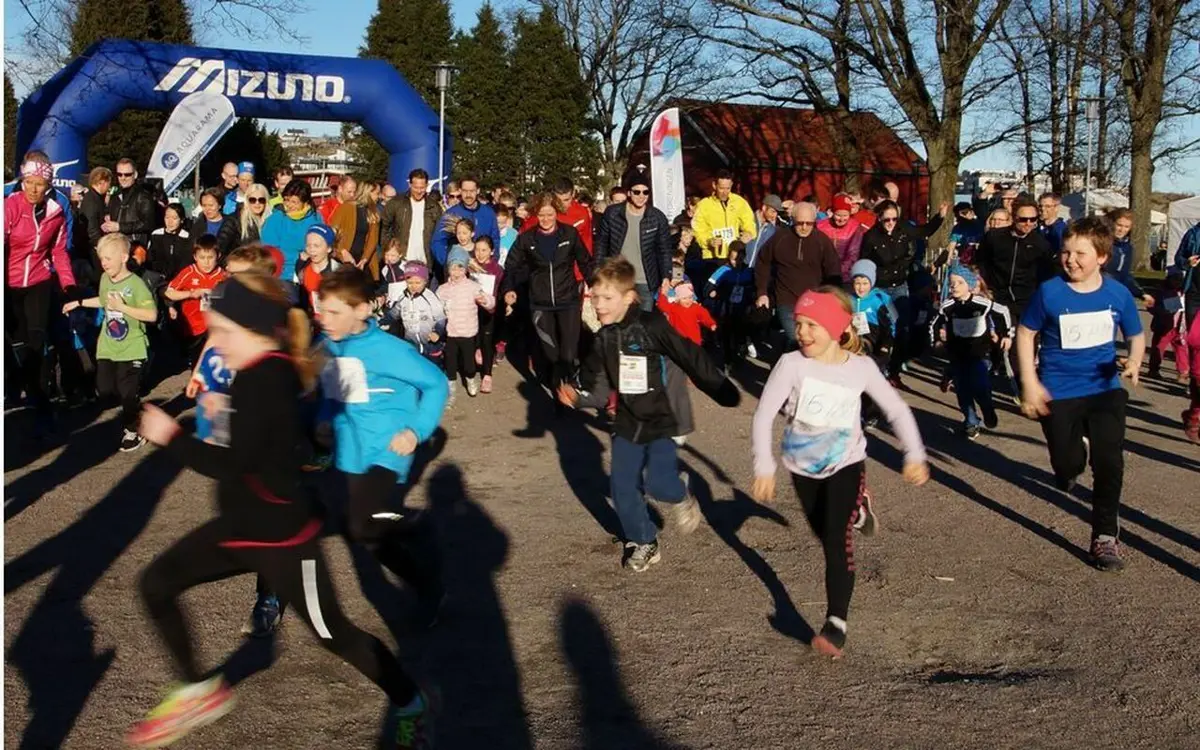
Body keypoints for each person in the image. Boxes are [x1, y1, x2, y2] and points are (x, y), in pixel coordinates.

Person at [128, 271, 431, 749]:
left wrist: (170, 436)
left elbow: (232, 464)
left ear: (252, 331)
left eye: (222, 332)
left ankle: (410, 701)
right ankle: (198, 690)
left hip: (284, 541)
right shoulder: (258, 371)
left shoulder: (265, 378)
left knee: (334, 634)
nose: (214, 343)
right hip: (240, 527)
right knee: (156, 583)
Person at [751, 288, 927, 657]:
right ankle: (859, 510)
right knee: (823, 531)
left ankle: (836, 624)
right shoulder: (791, 364)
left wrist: (913, 453)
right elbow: (764, 413)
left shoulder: (860, 368)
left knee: (835, 539)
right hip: (801, 467)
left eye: (812, 324)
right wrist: (764, 465)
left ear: (836, 328)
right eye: (799, 323)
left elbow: (896, 409)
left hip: (846, 464)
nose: (802, 332)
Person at [557, 257, 741, 571]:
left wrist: (721, 388)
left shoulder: (651, 325)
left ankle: (680, 493)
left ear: (629, 297)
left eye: (607, 298)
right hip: (626, 422)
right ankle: (643, 540)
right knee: (622, 487)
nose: (598, 305)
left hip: (660, 419)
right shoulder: (602, 339)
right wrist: (577, 397)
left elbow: (688, 354)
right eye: (595, 297)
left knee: (659, 485)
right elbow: (597, 389)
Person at [315, 267, 449, 628]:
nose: (325, 319)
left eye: (334, 312)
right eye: (322, 310)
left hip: (387, 450)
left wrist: (416, 431)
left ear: (362, 310)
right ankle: (427, 584)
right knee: (364, 533)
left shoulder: (389, 350)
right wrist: (322, 423)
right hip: (349, 454)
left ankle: (417, 526)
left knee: (361, 524)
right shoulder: (327, 347)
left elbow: (436, 383)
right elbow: (330, 394)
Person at [1017, 217, 1144, 572]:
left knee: (1110, 462)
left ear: (1102, 257)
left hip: (1104, 389)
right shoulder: (1050, 292)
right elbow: (1025, 334)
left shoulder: (1117, 294)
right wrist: (1030, 383)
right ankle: (1073, 460)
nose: (1070, 260)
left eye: (1079, 254)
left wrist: (1134, 361)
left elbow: (1135, 334)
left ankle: (1104, 537)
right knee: (1066, 465)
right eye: (1065, 252)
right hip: (1058, 391)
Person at [61, 233, 155, 452]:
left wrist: (122, 307)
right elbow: (104, 301)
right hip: (108, 345)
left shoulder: (136, 284)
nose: (104, 263)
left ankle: (134, 429)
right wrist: (79, 303)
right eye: (101, 259)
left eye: (108, 258)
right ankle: (135, 412)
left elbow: (151, 315)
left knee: (127, 392)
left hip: (132, 346)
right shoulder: (104, 279)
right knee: (104, 390)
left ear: (124, 258)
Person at [6, 158, 79, 430]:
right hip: (10, 282)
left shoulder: (55, 212)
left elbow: (58, 251)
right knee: (18, 343)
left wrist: (68, 284)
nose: (33, 189)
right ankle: (20, 386)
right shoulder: (10, 206)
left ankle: (41, 402)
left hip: (39, 280)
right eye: (29, 183)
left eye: (39, 184)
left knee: (36, 340)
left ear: (48, 185)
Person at [502, 193, 594, 391]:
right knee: (552, 354)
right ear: (536, 215)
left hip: (568, 300)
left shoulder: (569, 234)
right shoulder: (526, 238)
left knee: (568, 354)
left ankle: (567, 390)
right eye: (541, 215)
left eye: (550, 214)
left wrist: (594, 286)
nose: (545, 219)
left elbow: (585, 262)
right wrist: (509, 289)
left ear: (557, 213)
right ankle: (558, 388)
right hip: (541, 303)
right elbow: (511, 266)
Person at [859, 199, 947, 385]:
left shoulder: (903, 229)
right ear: (879, 218)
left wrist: (939, 217)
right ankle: (876, 368)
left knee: (903, 328)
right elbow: (864, 262)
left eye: (894, 219)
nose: (891, 223)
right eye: (887, 220)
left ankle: (894, 370)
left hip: (899, 285)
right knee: (881, 329)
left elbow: (924, 231)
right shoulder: (871, 237)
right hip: (880, 287)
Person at [973, 199, 1052, 393]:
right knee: (1001, 342)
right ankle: (996, 369)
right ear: (1013, 217)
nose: (1028, 224)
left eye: (1033, 220)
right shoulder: (994, 237)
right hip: (1000, 298)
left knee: (1024, 345)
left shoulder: (1040, 244)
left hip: (1028, 300)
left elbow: (1049, 272)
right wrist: (984, 284)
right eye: (1023, 219)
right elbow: (980, 261)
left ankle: (1024, 388)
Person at [929, 264, 1006, 440]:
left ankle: (987, 408)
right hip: (957, 355)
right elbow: (933, 323)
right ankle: (971, 421)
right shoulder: (947, 306)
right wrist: (936, 341)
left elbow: (1003, 312)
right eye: (952, 283)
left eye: (960, 282)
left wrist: (1006, 335)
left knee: (980, 386)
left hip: (980, 355)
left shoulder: (982, 303)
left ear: (969, 285)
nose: (954, 286)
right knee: (962, 390)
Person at [754, 202, 842, 348]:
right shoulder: (780, 238)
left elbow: (833, 270)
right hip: (786, 299)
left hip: (813, 301)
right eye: (800, 223)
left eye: (809, 223)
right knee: (796, 338)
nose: (804, 227)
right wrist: (762, 292)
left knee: (809, 341)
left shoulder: (822, 241)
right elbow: (763, 262)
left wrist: (833, 297)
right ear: (793, 220)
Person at [593, 176, 673, 311]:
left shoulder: (657, 217)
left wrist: (666, 276)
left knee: (643, 321)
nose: (641, 196)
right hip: (618, 278)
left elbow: (664, 249)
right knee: (617, 319)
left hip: (645, 281)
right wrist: (598, 271)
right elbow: (601, 244)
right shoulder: (612, 213)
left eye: (645, 192)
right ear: (629, 193)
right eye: (637, 192)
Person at [437, 247, 495, 400]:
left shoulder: (473, 287)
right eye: (453, 268)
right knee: (450, 363)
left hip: (468, 333)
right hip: (450, 333)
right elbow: (436, 308)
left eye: (460, 268)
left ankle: (470, 380)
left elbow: (491, 302)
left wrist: (485, 300)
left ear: (466, 269)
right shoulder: (443, 289)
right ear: (448, 269)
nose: (456, 272)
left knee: (469, 365)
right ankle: (451, 385)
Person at [164, 235, 227, 367]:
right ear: (195, 257)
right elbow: (169, 293)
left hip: (214, 327)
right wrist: (191, 293)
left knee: (212, 364)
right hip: (192, 327)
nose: (206, 262)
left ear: (218, 256)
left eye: (210, 257)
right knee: (197, 362)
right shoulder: (189, 272)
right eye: (202, 258)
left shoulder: (223, 275)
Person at [692, 170, 757, 275]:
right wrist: (708, 241)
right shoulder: (704, 205)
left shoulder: (739, 202)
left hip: (734, 255)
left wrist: (749, 233)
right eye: (721, 188)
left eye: (728, 188)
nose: (725, 192)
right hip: (712, 258)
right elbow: (698, 230)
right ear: (714, 185)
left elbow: (749, 222)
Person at [380, 168, 443, 272]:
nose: (419, 191)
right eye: (415, 187)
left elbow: (439, 234)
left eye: (422, 188)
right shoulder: (396, 203)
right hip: (401, 259)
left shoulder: (434, 207)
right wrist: (387, 252)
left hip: (424, 261)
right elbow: (384, 228)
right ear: (410, 185)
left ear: (427, 186)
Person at [704, 240, 755, 368]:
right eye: (733, 258)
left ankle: (741, 350)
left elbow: (754, 288)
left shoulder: (748, 271)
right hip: (726, 307)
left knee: (740, 332)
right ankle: (728, 360)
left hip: (743, 308)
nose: (736, 261)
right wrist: (714, 292)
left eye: (740, 258)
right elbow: (708, 288)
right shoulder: (723, 270)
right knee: (727, 333)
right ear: (729, 255)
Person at [432, 176, 500, 269]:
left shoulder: (488, 213)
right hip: (458, 269)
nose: (468, 195)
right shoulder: (451, 214)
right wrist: (449, 262)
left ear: (478, 191)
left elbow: (495, 240)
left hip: (483, 268)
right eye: (465, 191)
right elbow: (438, 241)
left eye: (472, 191)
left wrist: (491, 263)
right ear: (460, 191)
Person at [261, 179, 322, 279]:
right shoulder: (275, 220)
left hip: (309, 271)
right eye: (286, 200)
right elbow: (270, 251)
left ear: (305, 202)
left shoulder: (316, 219)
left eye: (294, 202)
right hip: (282, 274)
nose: (289, 205)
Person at [387, 261, 446, 362]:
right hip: (411, 343)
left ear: (425, 281)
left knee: (432, 368)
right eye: (410, 283)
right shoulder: (403, 297)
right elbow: (393, 314)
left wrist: (437, 332)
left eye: (417, 283)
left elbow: (441, 319)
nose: (413, 286)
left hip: (430, 344)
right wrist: (382, 321)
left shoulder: (430, 298)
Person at [469, 237, 504, 394]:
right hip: (471, 310)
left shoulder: (497, 269)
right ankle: (476, 352)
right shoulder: (470, 266)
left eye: (484, 250)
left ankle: (487, 375)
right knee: (473, 338)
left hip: (489, 312)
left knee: (487, 341)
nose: (480, 253)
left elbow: (501, 290)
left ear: (491, 251)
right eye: (477, 250)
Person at [330, 180, 382, 278]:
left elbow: (372, 240)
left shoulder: (373, 213)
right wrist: (342, 251)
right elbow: (332, 232)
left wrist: (365, 259)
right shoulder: (347, 207)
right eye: (377, 193)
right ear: (368, 193)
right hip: (343, 259)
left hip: (362, 261)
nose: (379, 197)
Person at [1103, 208, 1154, 306]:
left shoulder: (1127, 247)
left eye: (1126, 227)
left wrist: (1141, 293)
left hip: (1116, 293)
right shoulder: (1103, 243)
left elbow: (1125, 275)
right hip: (1099, 290)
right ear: (1112, 224)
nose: (1122, 230)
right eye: (1119, 225)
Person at [103, 158, 157, 249]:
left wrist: (120, 227)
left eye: (127, 175)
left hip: (136, 246)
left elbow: (148, 223)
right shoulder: (115, 195)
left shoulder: (143, 196)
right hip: (117, 244)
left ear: (135, 175)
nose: (123, 178)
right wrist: (107, 221)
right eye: (119, 174)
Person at [1147, 270, 1189, 383]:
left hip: (1180, 326)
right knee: (1159, 347)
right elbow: (1153, 307)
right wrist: (1163, 310)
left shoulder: (1185, 292)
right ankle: (1154, 369)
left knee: (1181, 348)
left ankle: (1183, 372)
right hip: (1165, 326)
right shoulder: (1164, 291)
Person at [294, 224, 341, 317]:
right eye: (308, 245)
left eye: (316, 246)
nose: (312, 250)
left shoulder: (337, 272)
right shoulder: (302, 267)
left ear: (329, 248)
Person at [816, 194, 865, 280]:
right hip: (822, 272)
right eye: (838, 215)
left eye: (845, 215)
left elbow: (853, 254)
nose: (841, 219)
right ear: (832, 212)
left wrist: (838, 270)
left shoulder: (855, 228)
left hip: (844, 275)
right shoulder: (821, 226)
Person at [219, 182, 272, 258]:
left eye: (261, 200)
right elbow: (220, 247)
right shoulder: (234, 220)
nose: (257, 203)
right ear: (247, 200)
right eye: (252, 200)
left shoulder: (271, 221)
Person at [147, 203, 193, 283]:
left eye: (174, 218)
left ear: (182, 220)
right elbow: (151, 259)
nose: (170, 222)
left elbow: (186, 263)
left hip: (179, 280)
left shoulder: (186, 237)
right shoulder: (156, 235)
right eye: (167, 217)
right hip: (157, 279)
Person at [744, 194, 784, 269]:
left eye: (777, 212)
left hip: (757, 272)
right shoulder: (748, 221)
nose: (775, 215)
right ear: (764, 208)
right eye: (773, 211)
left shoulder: (773, 230)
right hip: (740, 269)